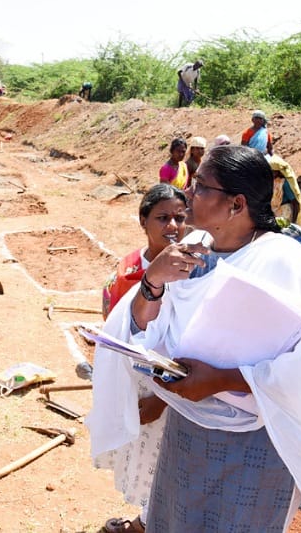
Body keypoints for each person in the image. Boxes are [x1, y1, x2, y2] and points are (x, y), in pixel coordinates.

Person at [86, 145, 301, 532]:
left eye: (201, 187)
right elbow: (142, 332)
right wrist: (153, 280)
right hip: (186, 434)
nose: (189, 193)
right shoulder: (191, 254)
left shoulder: (284, 262)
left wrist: (221, 380)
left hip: (256, 445)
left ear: (236, 204)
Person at [100, 184, 189, 533]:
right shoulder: (127, 272)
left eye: (179, 218)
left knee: (172, 462)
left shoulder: (194, 270)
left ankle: (146, 525)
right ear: (143, 221)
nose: (172, 226)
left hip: (176, 392)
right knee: (144, 459)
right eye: (162, 217)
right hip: (135, 388)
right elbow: (111, 328)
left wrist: (163, 400)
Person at [267, 154, 301, 223]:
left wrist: (293, 222)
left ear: (277, 171)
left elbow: (295, 203)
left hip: (286, 212)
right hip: (276, 213)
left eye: (271, 171)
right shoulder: (272, 182)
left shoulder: (284, 183)